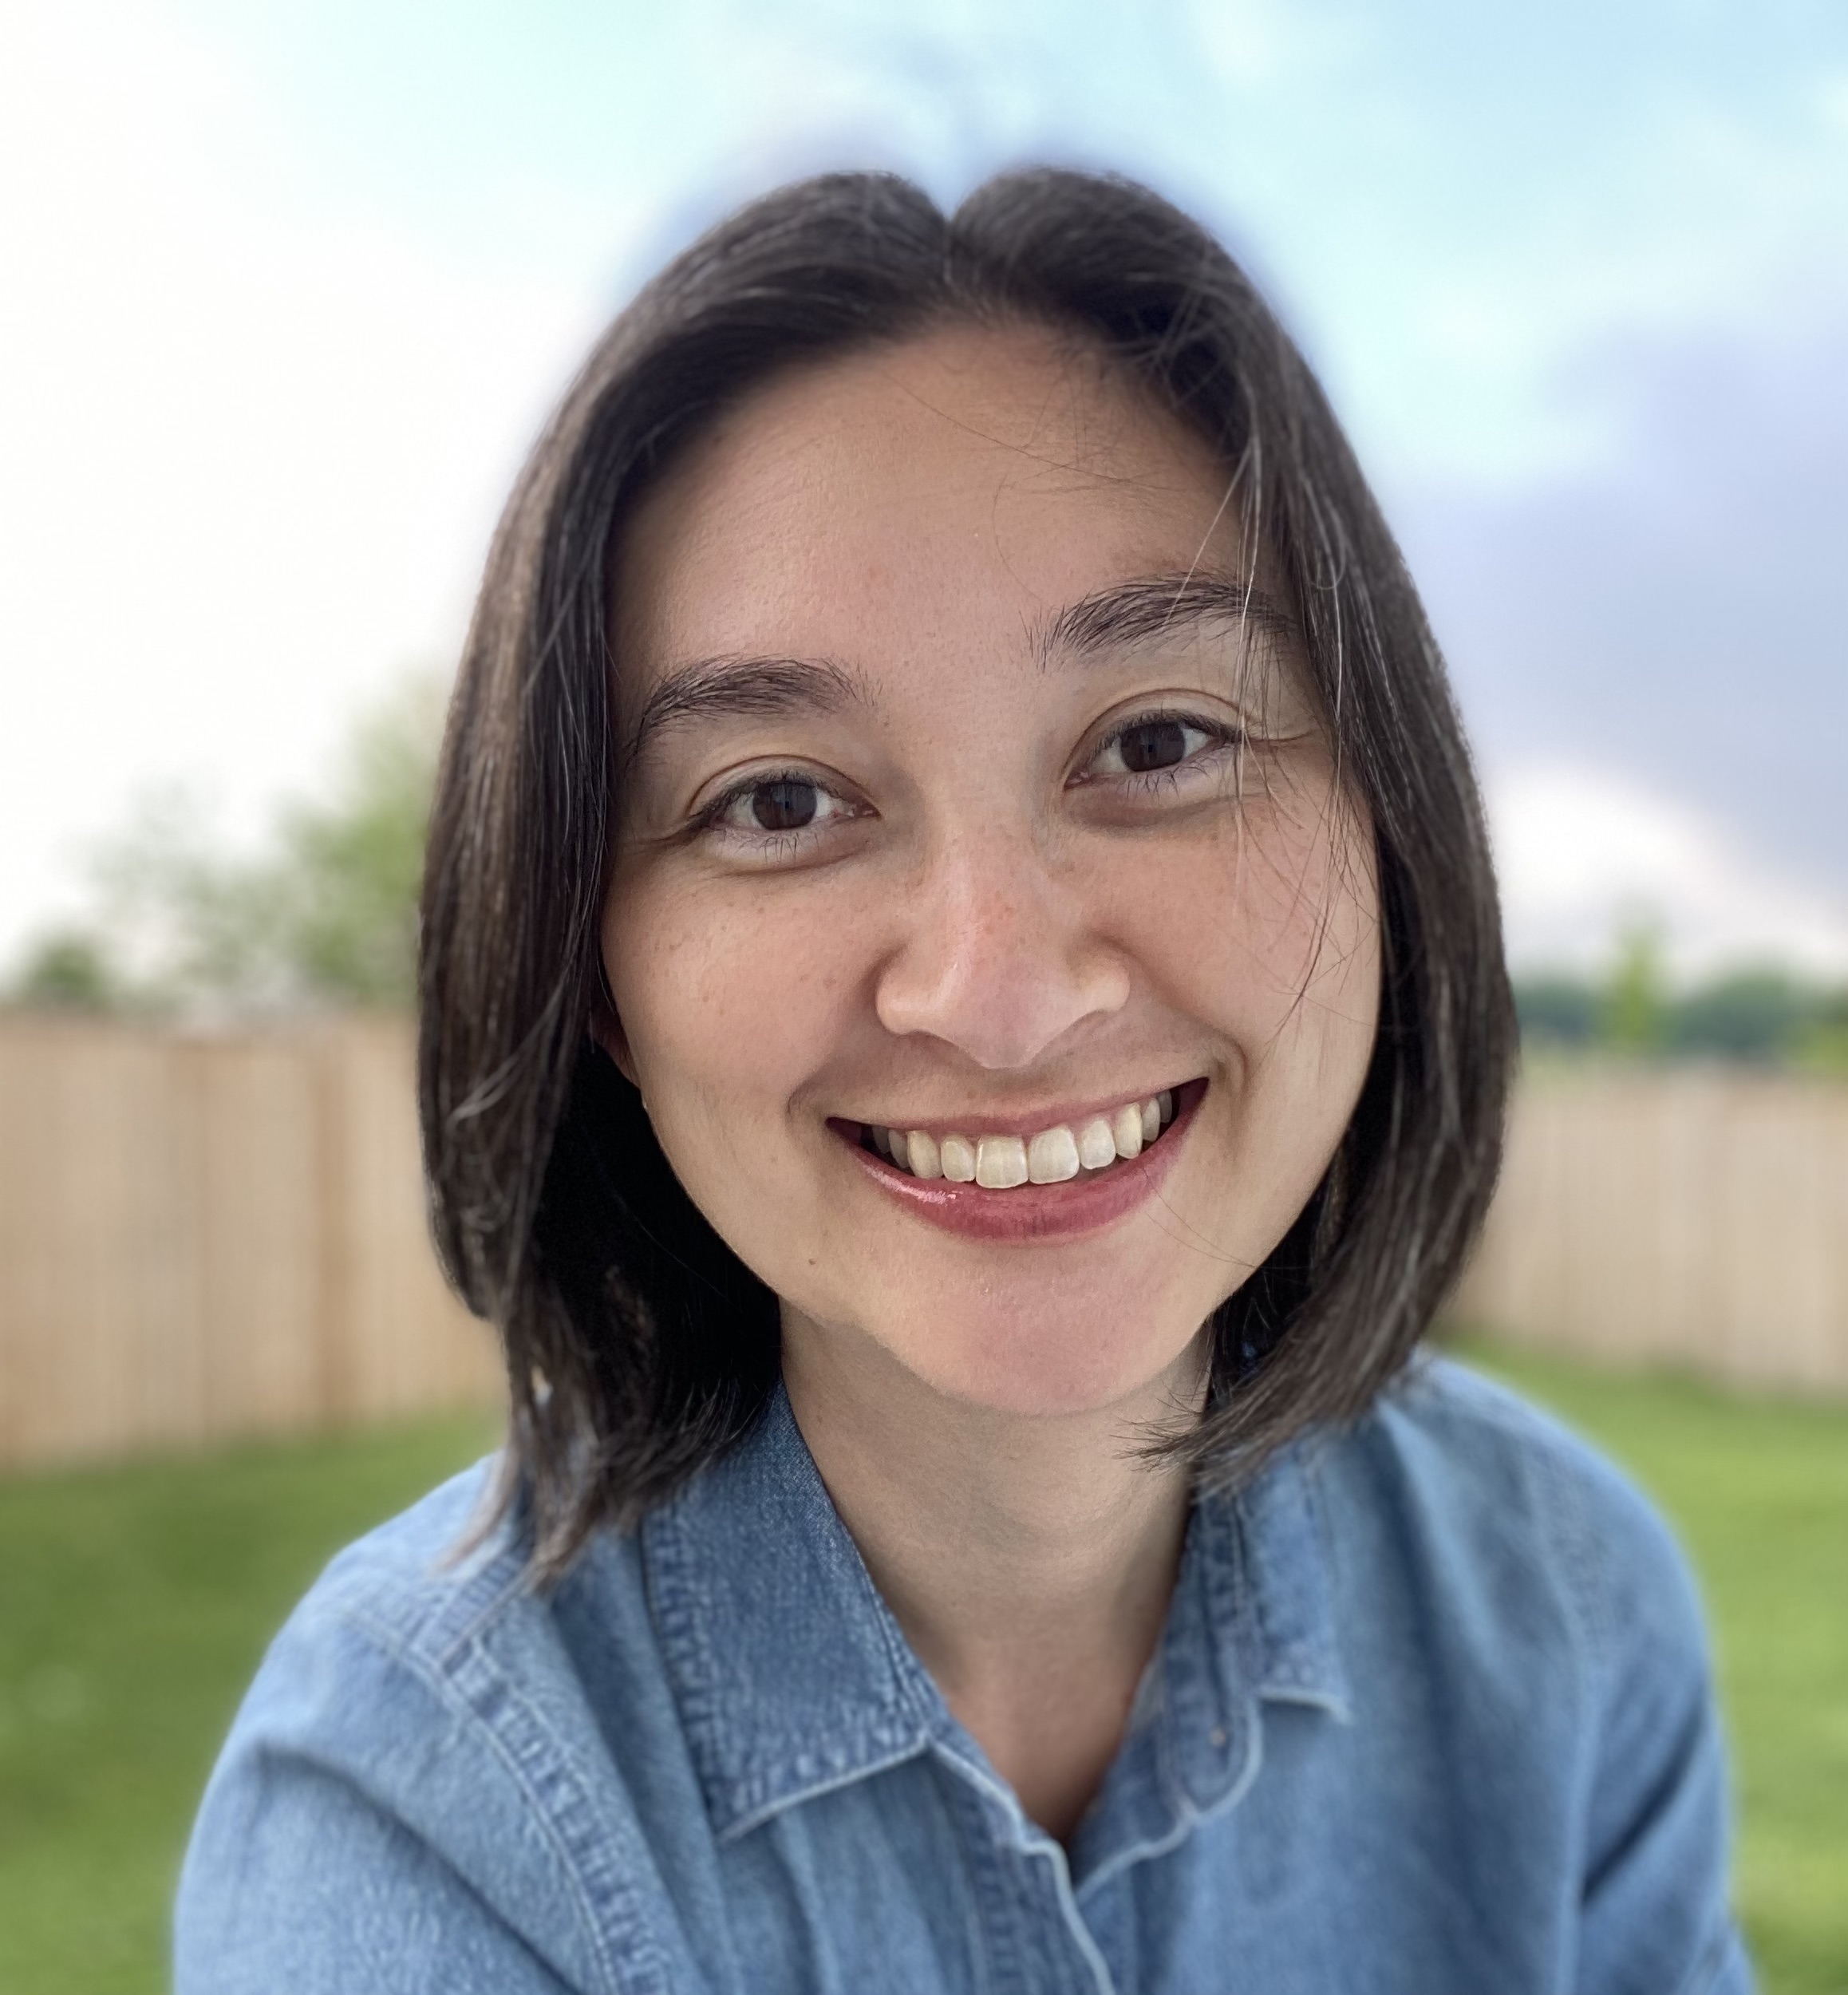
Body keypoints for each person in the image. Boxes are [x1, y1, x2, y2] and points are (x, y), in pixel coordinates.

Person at [175, 170, 1751, 1993]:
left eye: (1160, 740)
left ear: (1388, 823)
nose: (997, 993)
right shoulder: (416, 1805)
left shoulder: (1567, 1599)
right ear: (591, 971)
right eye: (778, 799)